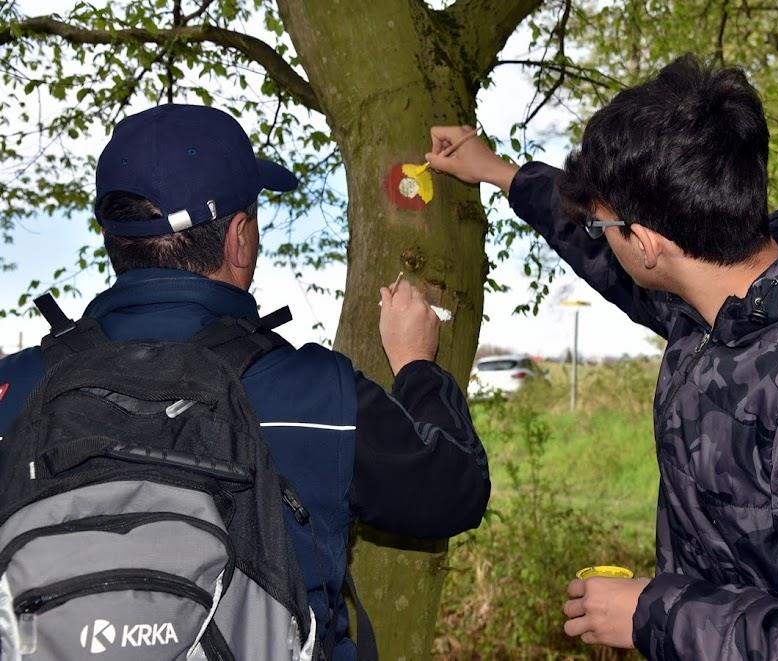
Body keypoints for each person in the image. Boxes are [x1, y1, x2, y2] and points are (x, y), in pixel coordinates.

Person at [426, 54, 778, 659]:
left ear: (648, 243)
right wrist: (500, 173)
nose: (600, 235)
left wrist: (656, 616)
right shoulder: (721, 305)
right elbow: (606, 258)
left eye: (605, 224)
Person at [0, 103, 490, 660]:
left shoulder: (14, 393)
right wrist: (416, 364)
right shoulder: (318, 395)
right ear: (238, 237)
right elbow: (456, 492)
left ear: (116, 238)